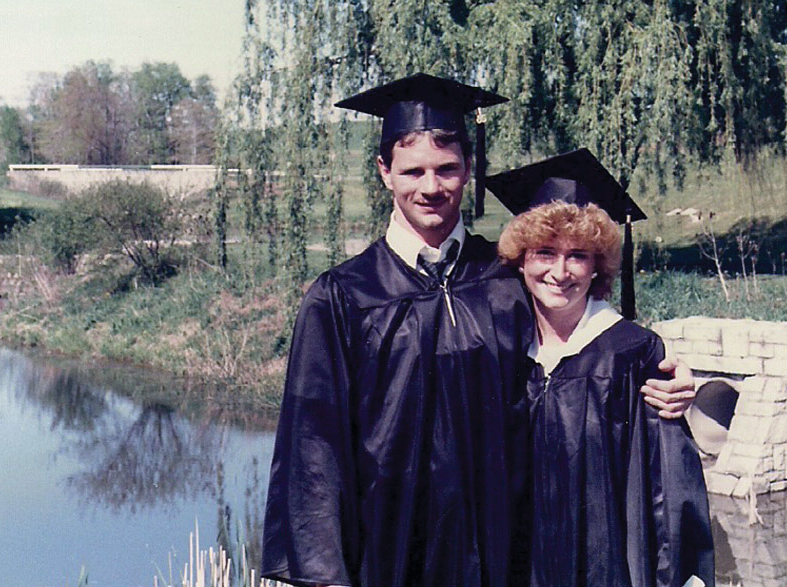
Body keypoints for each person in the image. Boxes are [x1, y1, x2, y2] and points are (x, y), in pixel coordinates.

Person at [260, 74, 697, 587]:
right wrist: (324, 576)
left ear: (468, 169)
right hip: (387, 549)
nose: (431, 187)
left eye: (446, 169)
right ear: (384, 172)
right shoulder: (343, 297)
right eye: (413, 171)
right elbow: (313, 449)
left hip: (501, 551)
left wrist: (668, 380)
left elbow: (582, 354)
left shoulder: (505, 276)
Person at [490, 149, 715, 587]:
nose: (560, 271)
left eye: (578, 255)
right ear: (521, 259)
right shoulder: (499, 350)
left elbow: (670, 493)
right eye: (544, 252)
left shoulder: (633, 353)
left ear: (598, 266)